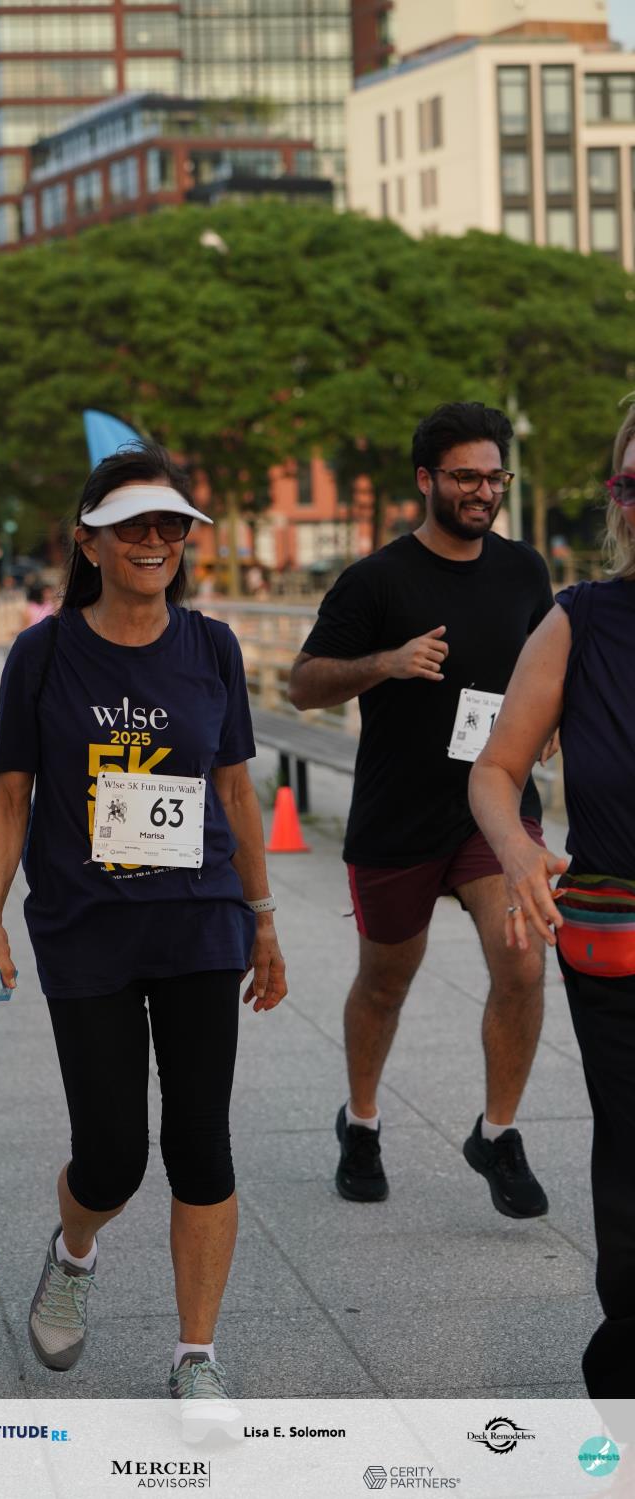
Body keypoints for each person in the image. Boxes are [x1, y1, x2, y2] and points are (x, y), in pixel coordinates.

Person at [0, 442, 287, 1404]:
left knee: (202, 1144)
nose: (155, 539)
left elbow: (236, 792)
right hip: (86, 927)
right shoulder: (45, 653)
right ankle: (74, 1251)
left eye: (171, 525)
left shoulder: (212, 647)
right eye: (132, 525)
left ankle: (196, 1356)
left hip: (198, 921)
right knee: (111, 1157)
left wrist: (264, 921)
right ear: (88, 542)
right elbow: (10, 797)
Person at [288, 401, 555, 1216]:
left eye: (495, 477)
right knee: (385, 981)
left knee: (522, 963)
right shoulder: (376, 579)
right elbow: (303, 684)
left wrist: (554, 720)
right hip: (398, 814)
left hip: (493, 809)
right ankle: (361, 1120)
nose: (483, 491)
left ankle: (498, 1132)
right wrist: (387, 662)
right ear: (425, 479)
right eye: (465, 476)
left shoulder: (525, 570)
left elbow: (548, 669)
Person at [469, 397, 635, 1397]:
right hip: (616, 938)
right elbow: (495, 769)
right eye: (634, 483)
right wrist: (518, 849)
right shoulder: (579, 620)